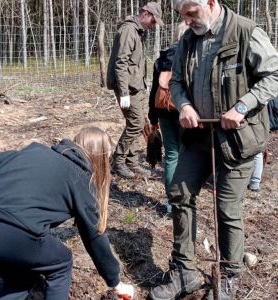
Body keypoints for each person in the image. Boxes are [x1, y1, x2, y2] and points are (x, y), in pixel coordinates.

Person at [148, 0, 278, 299]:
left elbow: (273, 76)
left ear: (210, 3)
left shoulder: (245, 32)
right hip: (198, 137)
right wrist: (184, 105)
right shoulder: (188, 41)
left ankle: (229, 276)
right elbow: (177, 80)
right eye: (184, 16)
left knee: (226, 207)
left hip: (238, 138)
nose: (189, 21)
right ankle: (185, 272)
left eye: (192, 13)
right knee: (180, 193)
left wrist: (243, 106)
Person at [0, 127, 134, 300]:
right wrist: (115, 282)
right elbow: (94, 237)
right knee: (62, 263)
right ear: (101, 158)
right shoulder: (82, 181)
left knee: (22, 276)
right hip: (11, 233)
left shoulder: (36, 150)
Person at [107, 2, 164, 178]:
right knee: (135, 124)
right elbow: (121, 63)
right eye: (153, 21)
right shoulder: (128, 30)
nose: (153, 26)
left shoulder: (139, 32)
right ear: (145, 14)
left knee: (137, 123)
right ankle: (118, 162)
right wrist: (123, 93)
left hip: (137, 86)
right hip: (127, 88)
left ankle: (131, 162)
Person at [148, 21, 188, 213]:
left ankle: (171, 201)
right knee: (186, 153)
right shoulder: (192, 56)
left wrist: (152, 119)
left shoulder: (162, 58)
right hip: (185, 110)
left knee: (171, 155)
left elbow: (154, 91)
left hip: (163, 110)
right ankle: (184, 197)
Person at [248, 95, 278, 192]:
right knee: (259, 151)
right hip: (265, 125)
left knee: (257, 152)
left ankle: (254, 183)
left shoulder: (259, 92)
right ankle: (255, 184)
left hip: (258, 124)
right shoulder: (272, 91)